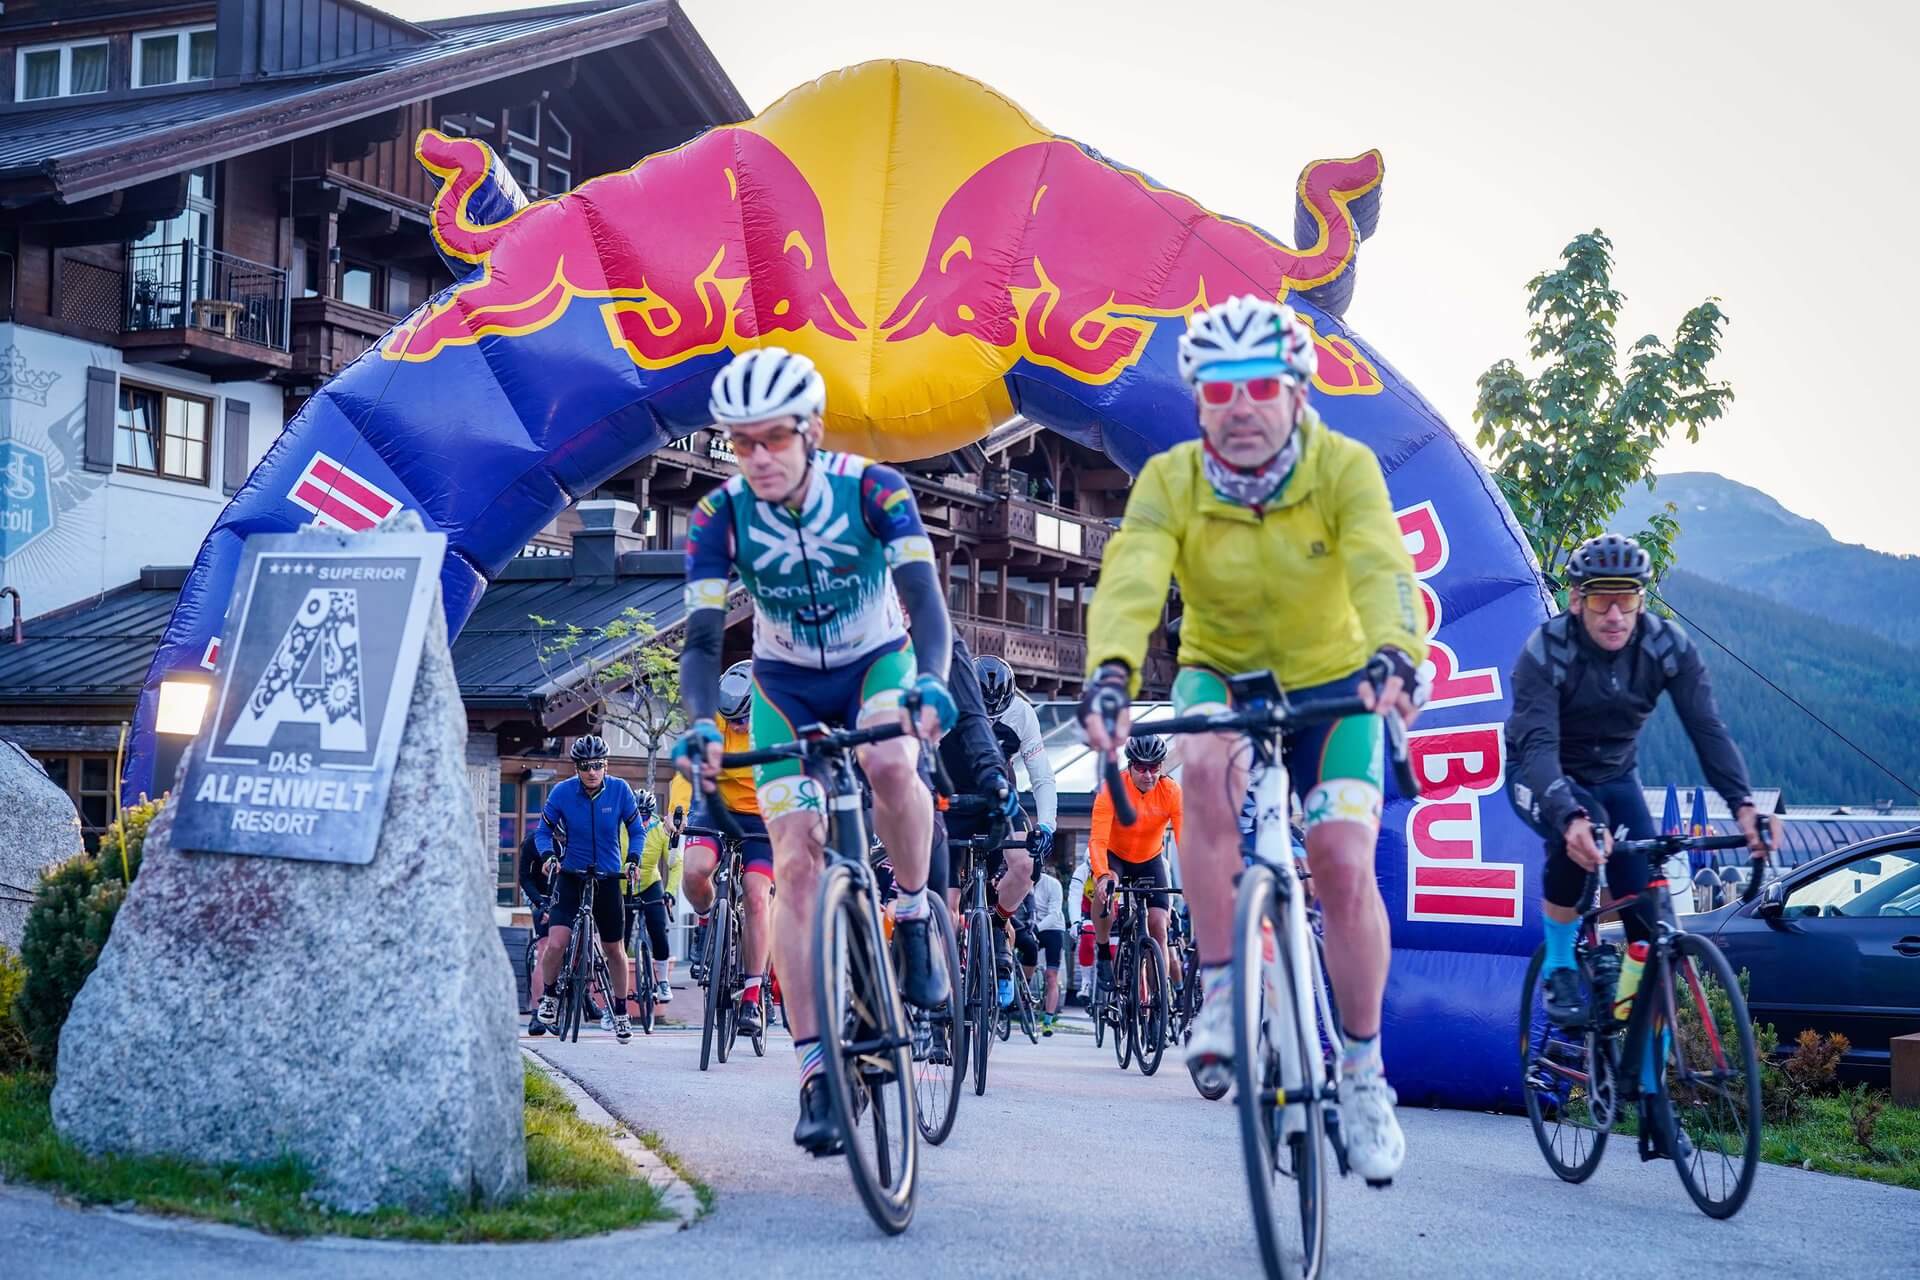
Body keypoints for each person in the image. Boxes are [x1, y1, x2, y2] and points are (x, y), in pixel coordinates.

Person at [1080, 296, 1428, 1182]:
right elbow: (1131, 576)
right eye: (1219, 389)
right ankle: (1223, 990)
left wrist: (1398, 653)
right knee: (1200, 773)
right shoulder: (1172, 479)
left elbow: (1384, 567)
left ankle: (1363, 1074)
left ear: (1297, 394)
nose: (1240, 406)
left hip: (1336, 683)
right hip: (1222, 674)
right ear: (1198, 399)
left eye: (1261, 387)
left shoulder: (1343, 467)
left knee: (1342, 860)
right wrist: (1111, 671)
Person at [675, 347, 956, 1156]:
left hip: (877, 663)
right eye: (741, 442)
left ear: (812, 431)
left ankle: (910, 914)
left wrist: (931, 684)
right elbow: (701, 643)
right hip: (784, 688)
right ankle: (815, 1073)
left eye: (774, 438)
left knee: (892, 763)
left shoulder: (874, 490)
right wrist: (701, 721)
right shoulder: (719, 516)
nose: (758, 456)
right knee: (794, 862)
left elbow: (926, 604)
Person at [1506, 532, 1766, 1040]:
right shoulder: (1547, 650)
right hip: (1539, 771)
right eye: (1601, 600)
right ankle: (1560, 963)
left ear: (1641, 600)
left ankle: (1638, 1063)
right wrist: (1570, 817)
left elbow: (1708, 731)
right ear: (1576, 600)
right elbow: (1537, 748)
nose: (1614, 615)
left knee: (1649, 924)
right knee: (1583, 831)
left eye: (1625, 599)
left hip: (1615, 777)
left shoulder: (1666, 646)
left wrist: (1744, 807)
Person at [678, 660, 777, 1037]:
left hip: (763, 813)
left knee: (756, 895)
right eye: (730, 720)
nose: (736, 727)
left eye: (743, 720)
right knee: (694, 871)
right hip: (715, 804)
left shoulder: (776, 721)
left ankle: (752, 995)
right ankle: (707, 921)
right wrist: (679, 811)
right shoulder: (712, 718)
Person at [531, 735, 647, 1042]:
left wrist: (633, 860)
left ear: (606, 765)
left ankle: (620, 1012)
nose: (592, 771)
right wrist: (549, 856)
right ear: (577, 768)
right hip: (571, 875)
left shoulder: (620, 790)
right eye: (585, 766)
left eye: (597, 765)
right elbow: (542, 832)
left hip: (608, 878)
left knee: (614, 950)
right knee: (556, 943)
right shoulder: (562, 792)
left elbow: (637, 831)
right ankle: (550, 996)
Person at [1087, 734, 1185, 1007]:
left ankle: (1157, 1001)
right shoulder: (1112, 789)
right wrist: (1102, 876)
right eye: (1141, 767)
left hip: (1150, 859)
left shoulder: (1171, 791)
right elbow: (1098, 840)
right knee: (1106, 891)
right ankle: (1103, 950)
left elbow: (1184, 840)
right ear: (1130, 766)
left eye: (1154, 768)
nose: (1148, 775)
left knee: (1159, 927)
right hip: (1115, 856)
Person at [975, 655, 1059, 861]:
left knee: (1025, 866)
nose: (991, 721)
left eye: (997, 716)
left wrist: (1046, 825)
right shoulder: (953, 706)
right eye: (985, 715)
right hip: (957, 798)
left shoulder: (1022, 713)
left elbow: (1042, 777)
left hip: (1001, 797)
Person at [628, 798, 685, 1007]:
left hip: (650, 884)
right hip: (623, 884)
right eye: (638, 815)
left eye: (646, 816)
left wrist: (669, 892)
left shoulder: (660, 829)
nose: (642, 820)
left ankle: (662, 981)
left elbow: (675, 864)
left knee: (659, 929)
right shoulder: (620, 826)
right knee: (618, 939)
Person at [1031, 863, 1067, 1033]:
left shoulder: (1053, 884)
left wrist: (1036, 929)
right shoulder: (1019, 881)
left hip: (1052, 928)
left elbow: (1054, 914)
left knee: (1051, 976)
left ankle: (1048, 1020)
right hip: (1030, 927)